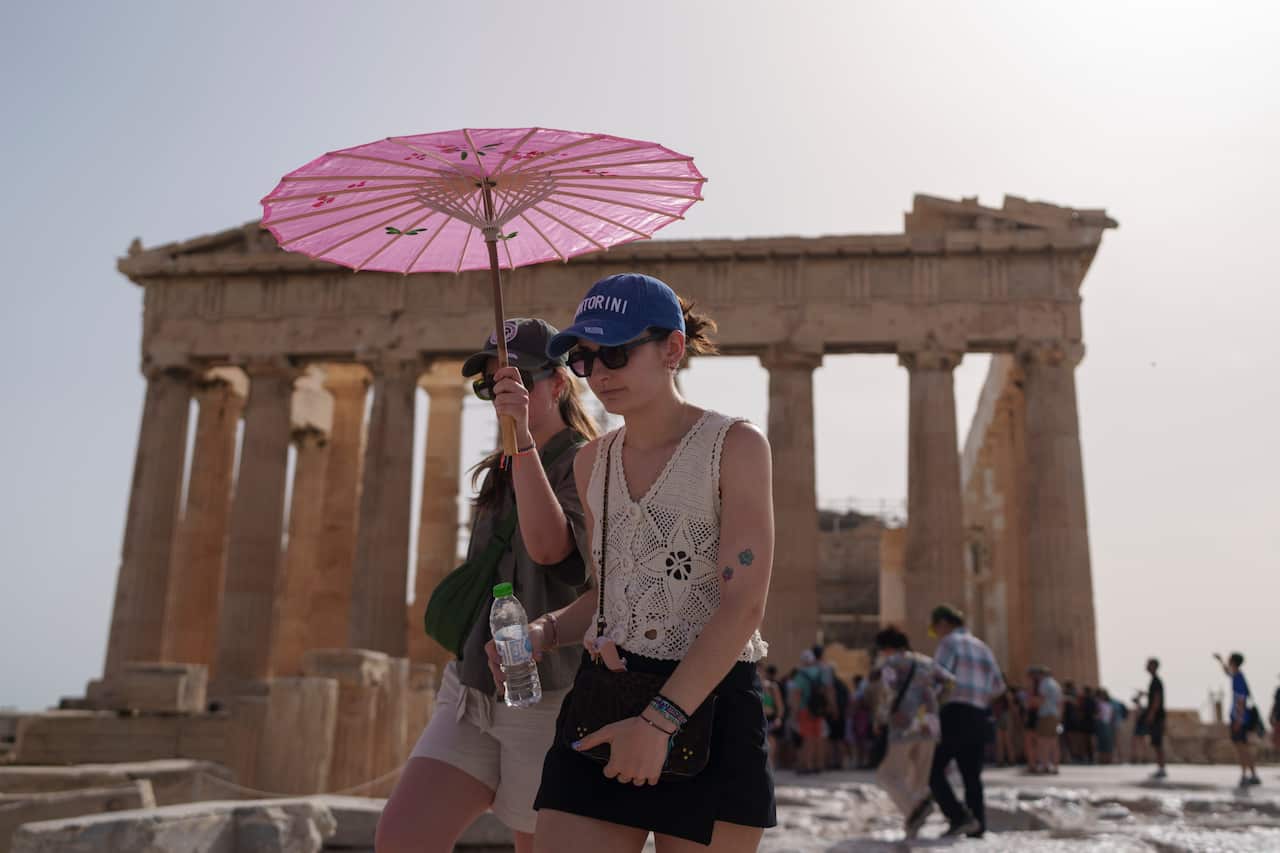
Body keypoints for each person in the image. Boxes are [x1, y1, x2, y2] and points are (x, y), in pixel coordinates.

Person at [531, 273, 777, 851]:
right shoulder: (592, 463)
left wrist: (659, 722)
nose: (600, 373)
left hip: (710, 704)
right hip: (606, 696)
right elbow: (606, 592)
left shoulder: (736, 447)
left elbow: (744, 603)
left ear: (672, 349)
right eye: (586, 358)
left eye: (616, 351)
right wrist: (544, 631)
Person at [377, 319, 598, 853]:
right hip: (472, 687)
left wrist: (522, 437)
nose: (502, 392)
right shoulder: (497, 468)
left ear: (558, 385)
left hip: (548, 694)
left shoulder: (587, 462)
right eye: (491, 384)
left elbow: (550, 551)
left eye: (517, 379)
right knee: (402, 839)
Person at [927, 604, 1005, 839]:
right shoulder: (983, 647)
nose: (936, 634)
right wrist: (978, 697)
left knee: (932, 769)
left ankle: (959, 816)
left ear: (943, 623)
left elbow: (939, 676)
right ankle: (978, 824)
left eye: (935, 629)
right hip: (979, 714)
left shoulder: (949, 643)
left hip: (954, 712)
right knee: (972, 773)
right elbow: (999, 686)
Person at [872, 626, 956, 841]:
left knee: (888, 775)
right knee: (917, 779)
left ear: (887, 647)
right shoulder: (926, 661)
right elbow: (950, 681)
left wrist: (882, 718)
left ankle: (915, 810)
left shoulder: (891, 663)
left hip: (904, 725)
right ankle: (912, 827)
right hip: (929, 725)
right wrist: (934, 703)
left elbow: (887, 691)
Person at [1214, 652, 1261, 787]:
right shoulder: (1236, 675)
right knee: (1243, 747)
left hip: (1239, 719)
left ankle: (1245, 775)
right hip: (1240, 718)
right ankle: (1252, 774)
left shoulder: (1238, 678)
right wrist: (1220, 660)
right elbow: (1227, 671)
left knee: (1241, 749)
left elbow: (1241, 700)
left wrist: (1238, 720)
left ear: (1233, 661)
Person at [791, 649, 834, 773]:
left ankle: (808, 765)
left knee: (808, 738)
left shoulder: (800, 675)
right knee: (819, 737)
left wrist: (795, 712)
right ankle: (819, 764)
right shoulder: (822, 672)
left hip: (805, 709)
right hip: (820, 710)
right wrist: (830, 706)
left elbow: (797, 695)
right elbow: (828, 689)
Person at [1027, 665, 1062, 774]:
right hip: (1055, 715)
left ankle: (1045, 765)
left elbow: (1041, 699)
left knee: (1043, 741)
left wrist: (1030, 703)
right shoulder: (1056, 684)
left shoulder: (1044, 684)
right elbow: (1060, 702)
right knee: (1054, 742)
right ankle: (1055, 766)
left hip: (1045, 714)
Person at [1141, 658, 1167, 779]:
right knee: (1156, 743)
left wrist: (1151, 715)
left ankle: (1162, 768)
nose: (1146, 666)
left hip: (1157, 717)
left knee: (1158, 743)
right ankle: (1160, 767)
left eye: (1148, 664)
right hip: (1156, 716)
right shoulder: (1154, 681)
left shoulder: (1156, 681)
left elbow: (1157, 700)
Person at [759, 664, 785, 768]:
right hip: (758, 718)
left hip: (770, 718)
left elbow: (780, 705)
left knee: (771, 742)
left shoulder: (772, 687)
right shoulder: (753, 686)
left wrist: (779, 718)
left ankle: (771, 765)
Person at [1095, 688, 1117, 765]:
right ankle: (1102, 760)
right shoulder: (1099, 703)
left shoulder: (1109, 704)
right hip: (1102, 724)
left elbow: (1111, 716)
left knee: (1108, 743)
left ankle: (1108, 759)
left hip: (1107, 724)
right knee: (1101, 742)